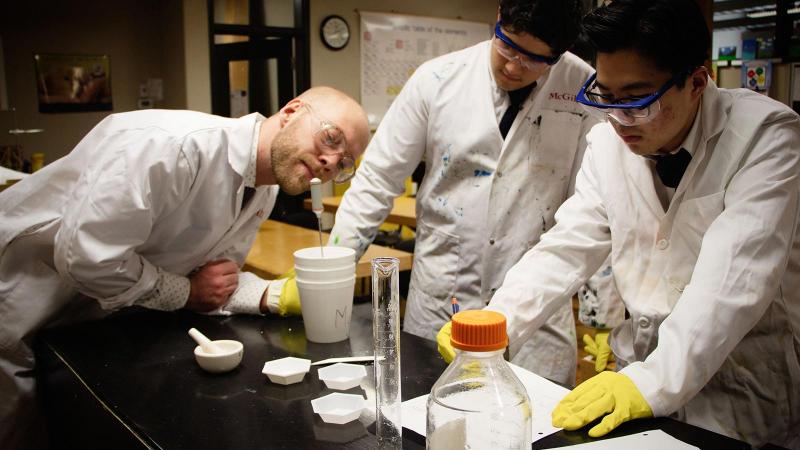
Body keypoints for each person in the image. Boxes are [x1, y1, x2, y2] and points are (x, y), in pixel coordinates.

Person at [440, 0, 800, 446]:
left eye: (636, 101)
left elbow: (732, 282)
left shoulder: (766, 136)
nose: (618, 120)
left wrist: (650, 383)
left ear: (696, 82)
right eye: (606, 98)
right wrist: (498, 321)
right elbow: (566, 247)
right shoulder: (607, 144)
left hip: (740, 388)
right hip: (637, 380)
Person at [0, 86, 370, 449]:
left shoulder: (264, 188)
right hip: (21, 305)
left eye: (344, 163)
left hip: (89, 327)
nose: (331, 161)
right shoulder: (171, 146)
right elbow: (88, 258)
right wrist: (187, 292)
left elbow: (211, 278)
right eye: (331, 138)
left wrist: (270, 295)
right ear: (291, 111)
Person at [327, 0, 610, 386]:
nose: (513, 66)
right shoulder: (438, 80)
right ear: (498, 18)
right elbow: (377, 179)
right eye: (507, 45)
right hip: (443, 298)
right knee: (432, 423)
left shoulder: (585, 90)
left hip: (536, 314)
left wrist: (601, 316)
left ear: (560, 53)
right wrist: (333, 275)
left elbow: (597, 209)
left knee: (531, 429)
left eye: (532, 60)